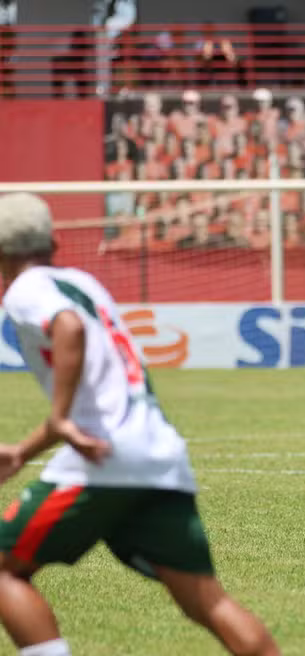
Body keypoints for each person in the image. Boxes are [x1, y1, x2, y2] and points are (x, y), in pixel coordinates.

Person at [0, 193, 279, 656]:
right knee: (207, 603)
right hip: (158, 454)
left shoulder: (25, 290)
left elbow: (67, 328)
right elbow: (101, 391)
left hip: (107, 460)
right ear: (55, 241)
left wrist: (59, 416)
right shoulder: (85, 283)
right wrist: (25, 451)